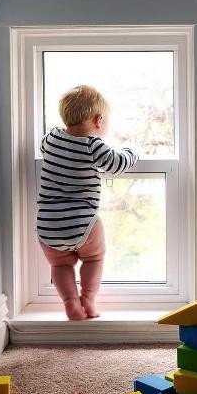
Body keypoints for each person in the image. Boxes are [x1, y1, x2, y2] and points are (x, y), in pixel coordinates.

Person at [37, 85, 138, 320]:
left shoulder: (51, 137)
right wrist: (131, 149)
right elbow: (117, 164)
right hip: (83, 221)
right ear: (99, 120)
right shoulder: (92, 144)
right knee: (94, 257)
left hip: (48, 224)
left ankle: (70, 303)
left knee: (60, 266)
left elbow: (43, 148)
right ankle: (88, 300)